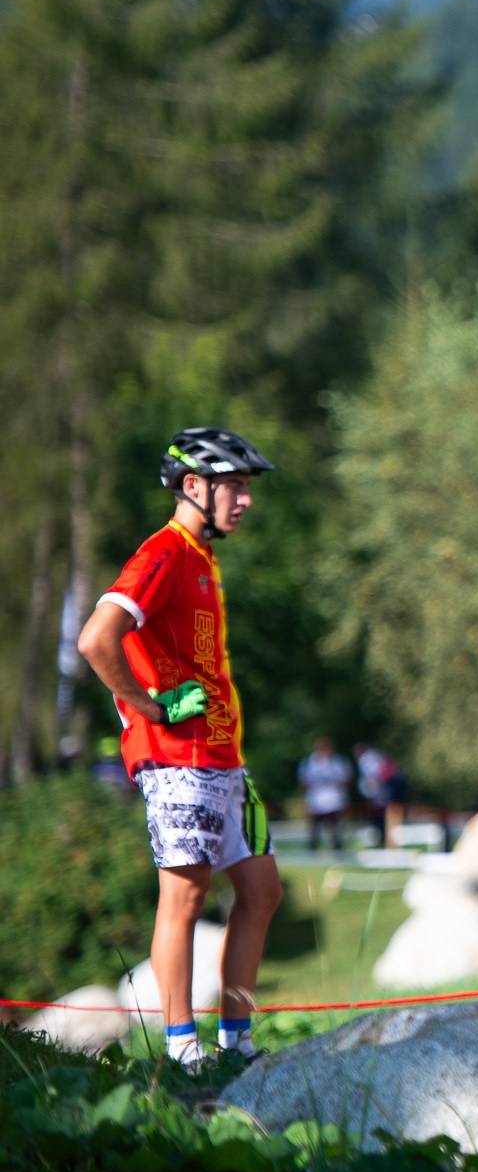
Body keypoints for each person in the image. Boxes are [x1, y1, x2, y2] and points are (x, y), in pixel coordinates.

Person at [76, 427, 282, 1066]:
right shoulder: (163, 553)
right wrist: (150, 706)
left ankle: (236, 1041)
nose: (245, 500)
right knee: (185, 898)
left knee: (262, 890)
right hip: (177, 761)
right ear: (193, 486)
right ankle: (182, 1050)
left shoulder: (202, 557)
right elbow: (96, 639)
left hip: (223, 759)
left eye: (246, 488)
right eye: (234, 487)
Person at [297, 737, 352, 851]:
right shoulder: (309, 762)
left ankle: (337, 847)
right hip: (315, 798)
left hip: (334, 798)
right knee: (314, 825)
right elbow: (303, 781)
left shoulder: (338, 762)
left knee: (334, 825)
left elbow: (346, 779)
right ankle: (312, 848)